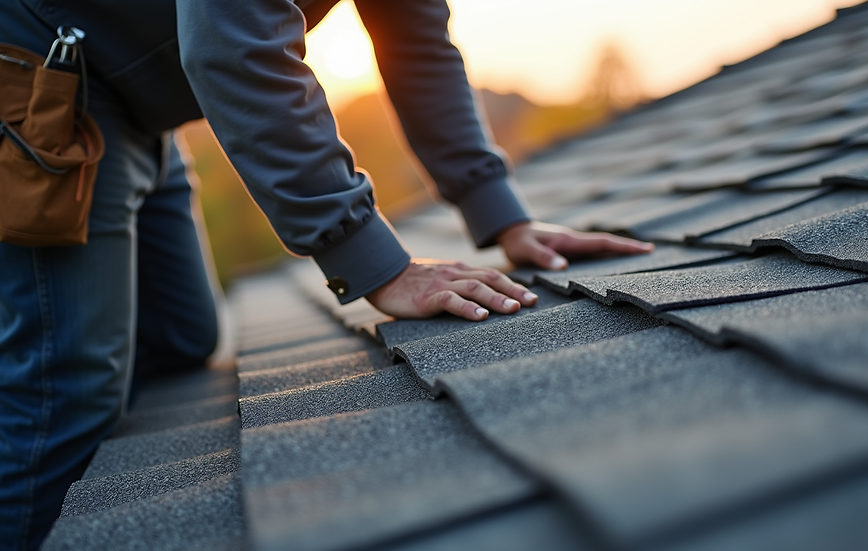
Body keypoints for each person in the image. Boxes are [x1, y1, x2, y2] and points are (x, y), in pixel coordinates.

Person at [0, 0, 653, 548]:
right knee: (67, 391)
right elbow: (235, 50)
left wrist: (500, 213)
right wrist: (374, 262)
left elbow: (416, 39)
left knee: (182, 339)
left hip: (147, 108)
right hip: (49, 81)